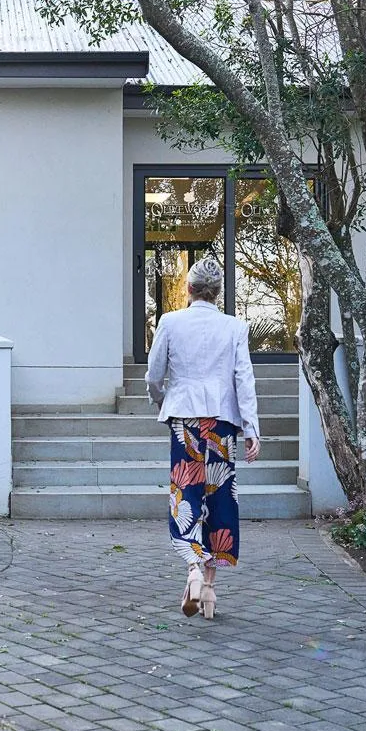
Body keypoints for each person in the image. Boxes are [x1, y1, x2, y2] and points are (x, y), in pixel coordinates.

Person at [145, 258, 260, 620]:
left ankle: (194, 572)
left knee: (187, 494)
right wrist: (252, 428)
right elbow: (244, 379)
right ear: (218, 292)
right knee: (219, 496)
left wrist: (162, 399)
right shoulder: (235, 327)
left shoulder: (170, 322)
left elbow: (154, 373)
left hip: (185, 419)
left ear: (189, 289)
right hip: (222, 421)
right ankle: (209, 589)